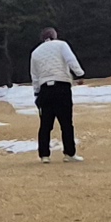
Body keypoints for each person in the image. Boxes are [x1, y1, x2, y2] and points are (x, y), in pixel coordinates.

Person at [25, 26, 84, 160]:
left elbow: (34, 75)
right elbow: (70, 59)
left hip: (45, 89)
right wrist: (80, 74)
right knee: (66, 122)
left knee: (45, 124)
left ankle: (44, 155)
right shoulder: (61, 45)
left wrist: (36, 93)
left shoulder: (35, 52)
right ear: (54, 35)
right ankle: (69, 153)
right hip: (61, 85)